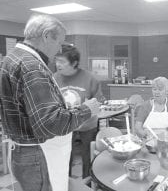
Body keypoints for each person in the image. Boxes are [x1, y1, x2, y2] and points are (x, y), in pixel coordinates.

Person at [0, 14, 101, 191]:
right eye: (59, 42)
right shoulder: (32, 67)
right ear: (46, 35)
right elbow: (50, 124)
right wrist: (86, 110)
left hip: (21, 151)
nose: (59, 49)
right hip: (38, 155)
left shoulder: (12, 58)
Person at [54, 44, 105, 179]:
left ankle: (87, 183)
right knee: (64, 156)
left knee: (87, 156)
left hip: (87, 126)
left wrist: (89, 108)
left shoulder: (90, 78)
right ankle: (65, 183)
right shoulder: (53, 78)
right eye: (56, 60)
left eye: (62, 61)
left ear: (74, 63)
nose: (58, 64)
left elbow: (98, 101)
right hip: (64, 126)